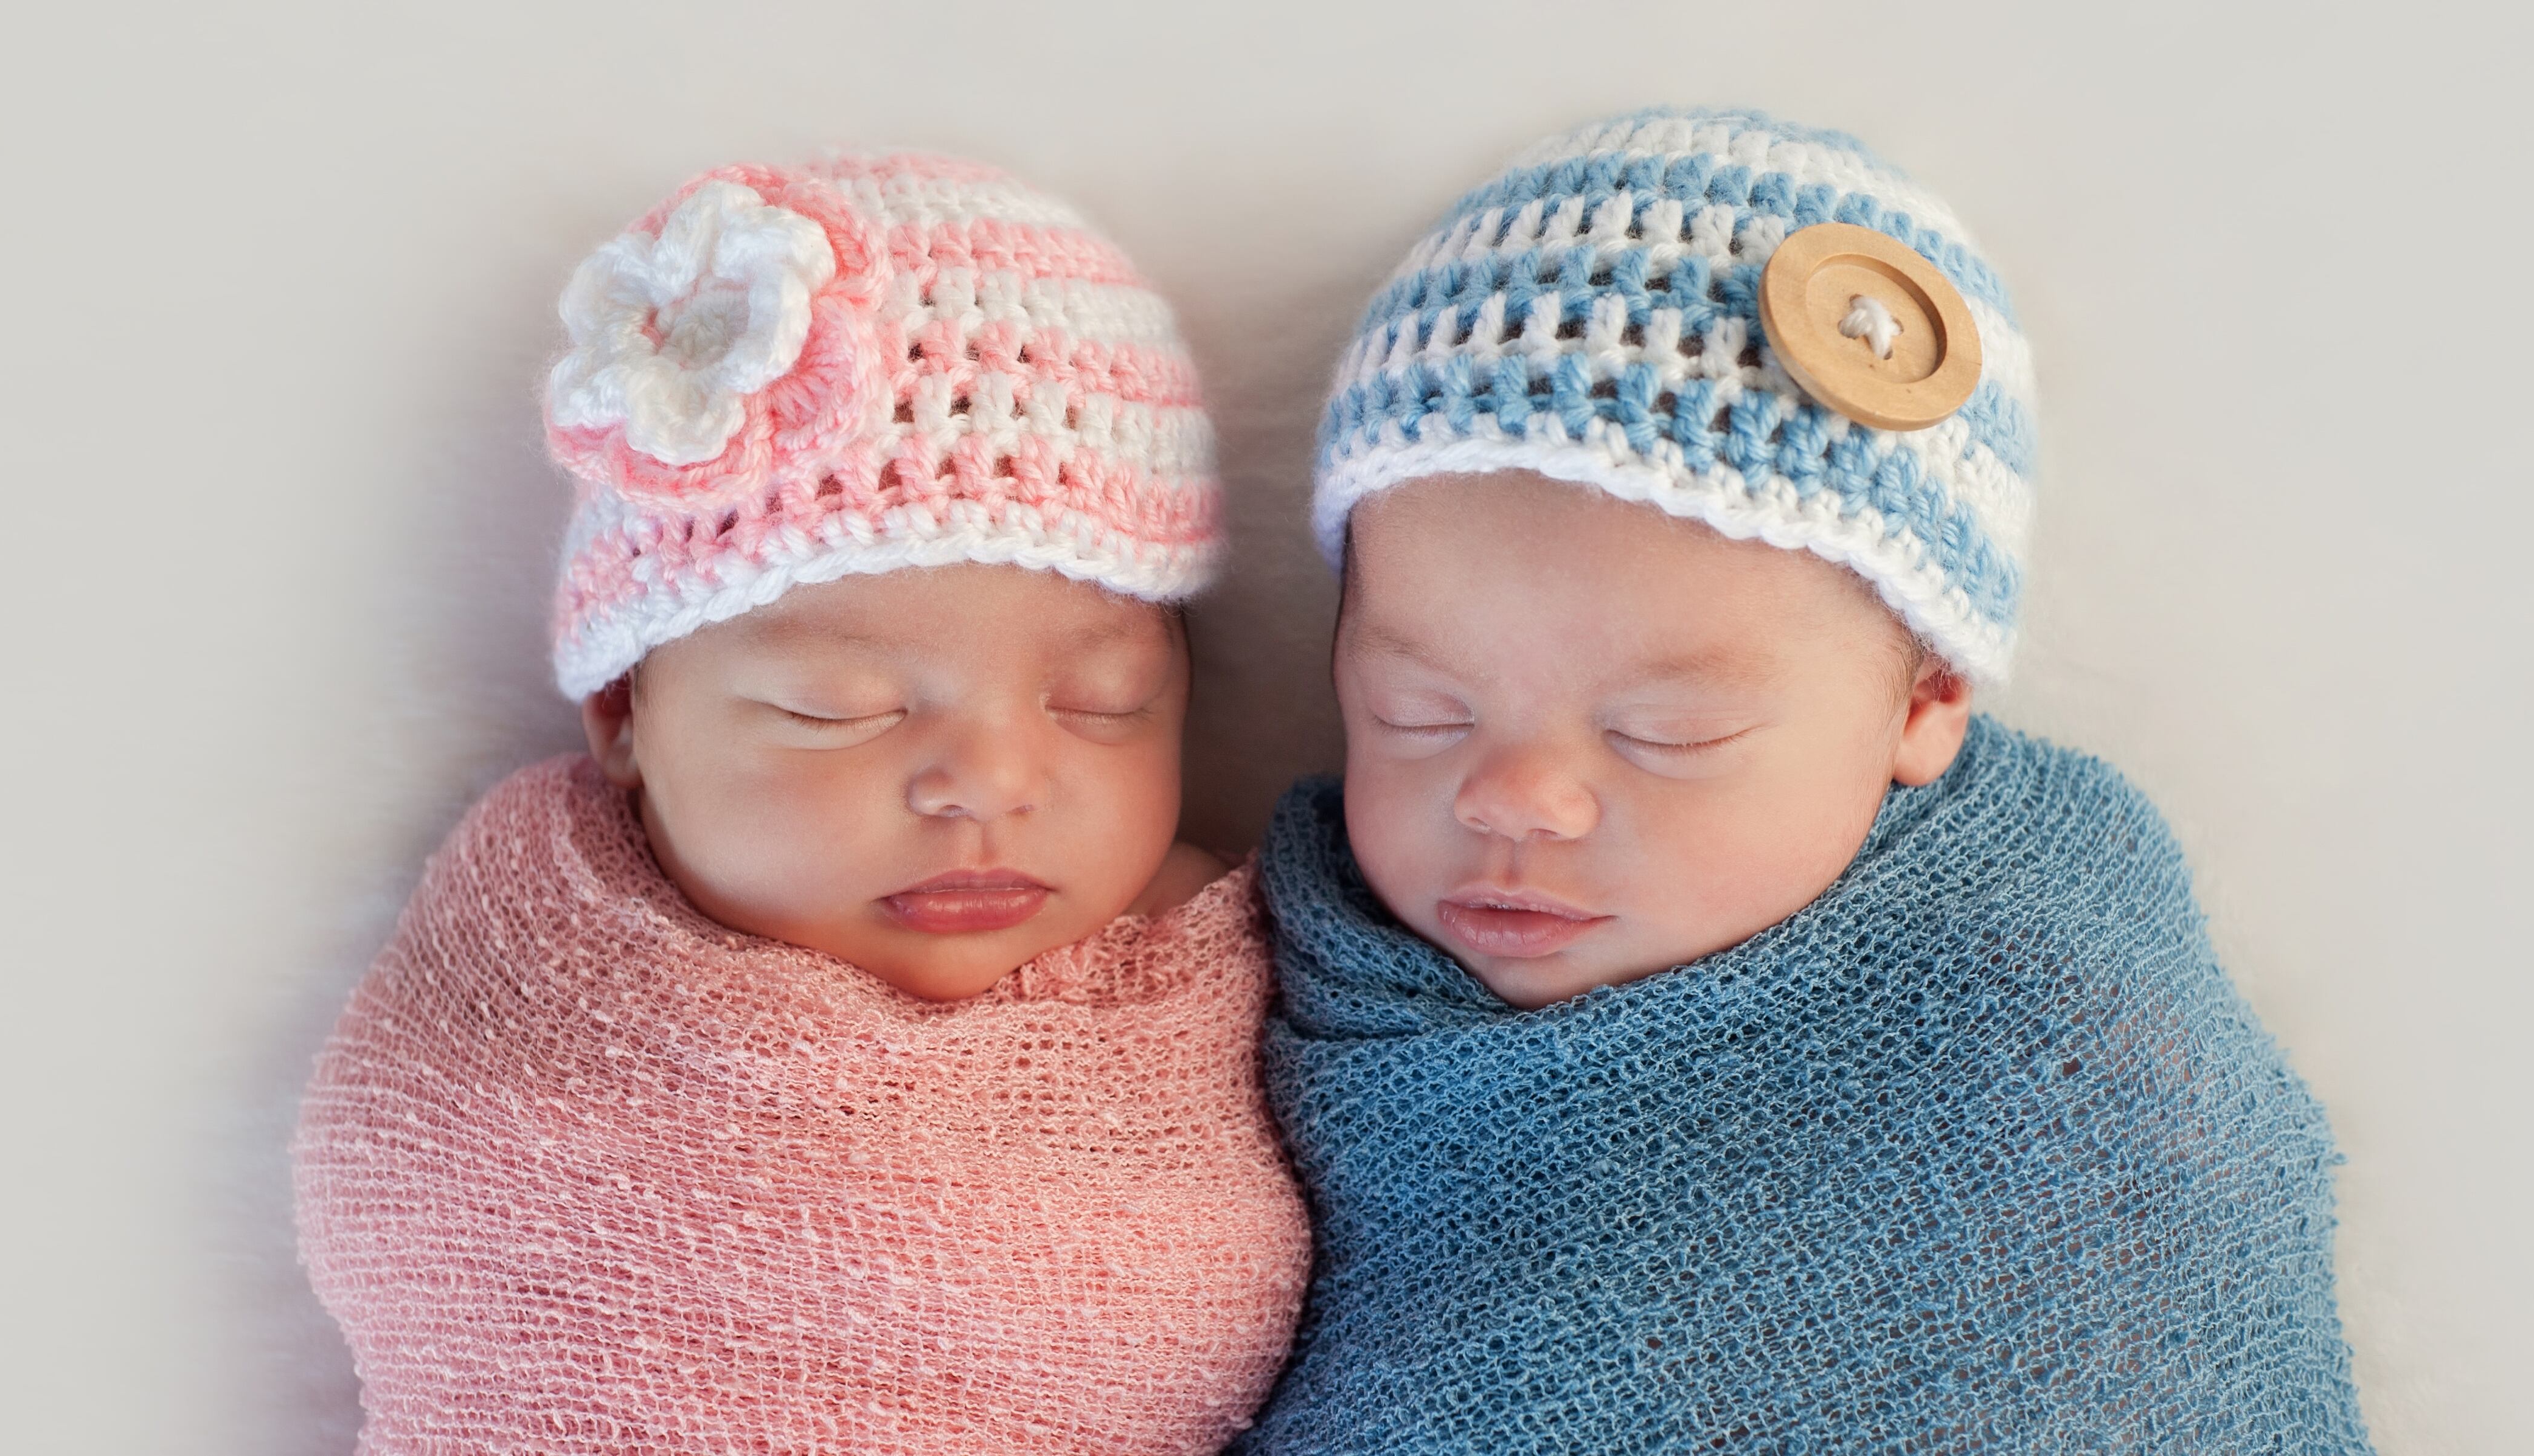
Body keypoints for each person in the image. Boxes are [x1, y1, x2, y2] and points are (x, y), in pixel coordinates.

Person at [1239, 108, 2373, 1453]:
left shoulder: (2045, 1005)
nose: (1515, 799)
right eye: (1414, 712)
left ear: (1926, 700)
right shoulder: (1252, 989)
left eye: (1666, 734)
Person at [293, 153, 1309, 1455]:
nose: (992, 784)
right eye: (841, 708)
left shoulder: (1242, 979)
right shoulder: (532, 977)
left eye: (1102, 702)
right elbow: (425, 1167)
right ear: (625, 719)